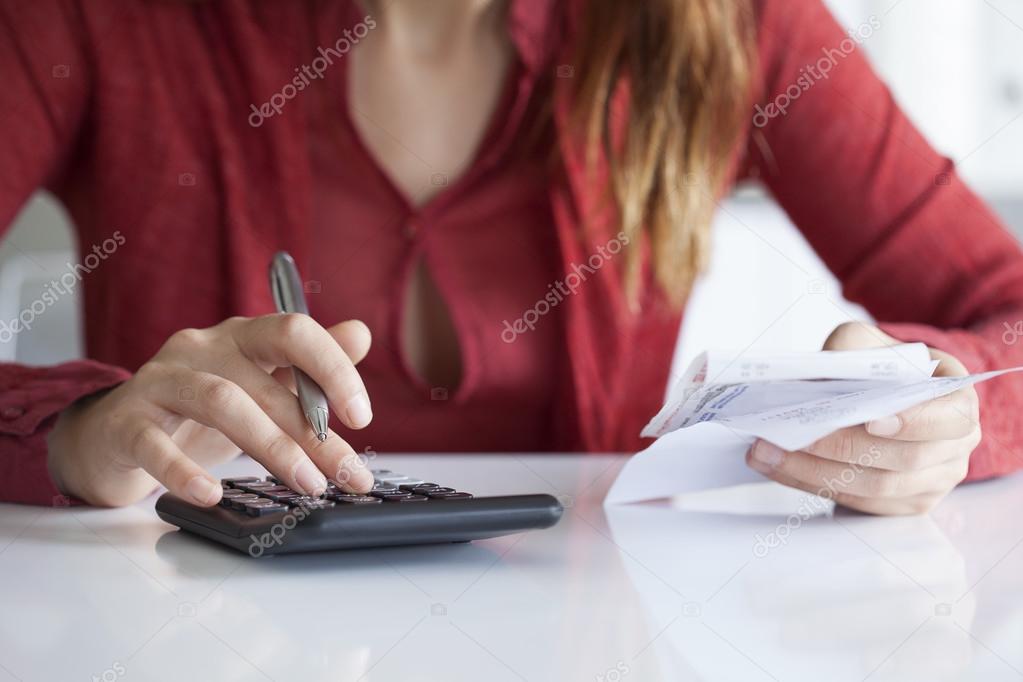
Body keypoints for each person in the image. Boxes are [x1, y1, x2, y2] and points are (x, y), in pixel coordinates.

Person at [1, 0, 1020, 515]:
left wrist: (939, 411)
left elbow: (1007, 316)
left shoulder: (724, 23)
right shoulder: (99, 20)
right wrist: (76, 436)